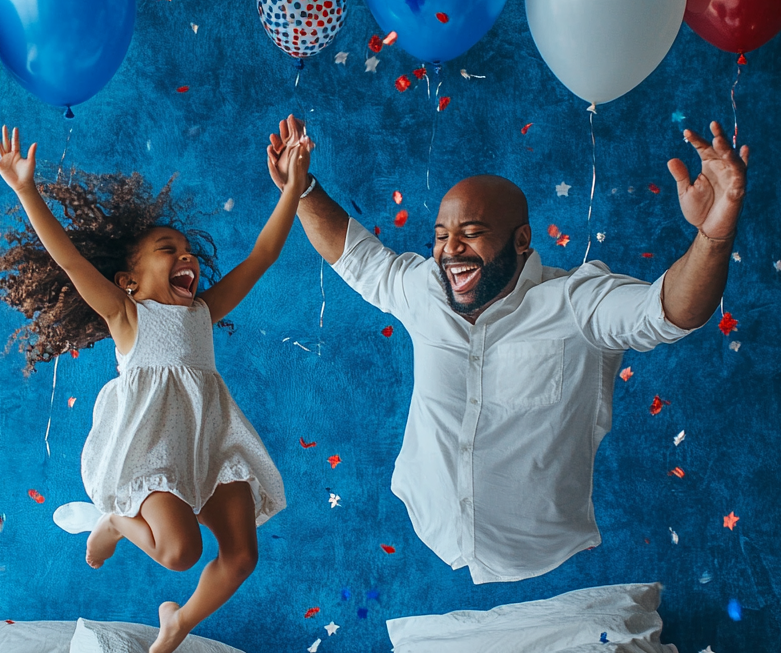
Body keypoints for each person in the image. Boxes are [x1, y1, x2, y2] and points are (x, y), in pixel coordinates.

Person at [267, 114, 748, 584]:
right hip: (429, 534)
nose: (450, 249)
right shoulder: (426, 289)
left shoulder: (577, 302)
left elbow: (667, 312)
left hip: (546, 559)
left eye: (471, 233)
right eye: (441, 236)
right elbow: (359, 258)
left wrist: (714, 234)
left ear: (521, 241)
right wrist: (302, 190)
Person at [0, 124, 313, 653]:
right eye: (168, 250)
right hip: (156, 451)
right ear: (128, 281)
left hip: (210, 444)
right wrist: (26, 191)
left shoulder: (204, 311)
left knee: (241, 555)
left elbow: (262, 254)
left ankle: (178, 621)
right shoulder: (128, 315)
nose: (186, 258)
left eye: (187, 251)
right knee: (182, 553)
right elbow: (69, 261)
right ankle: (113, 521)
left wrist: (292, 187)